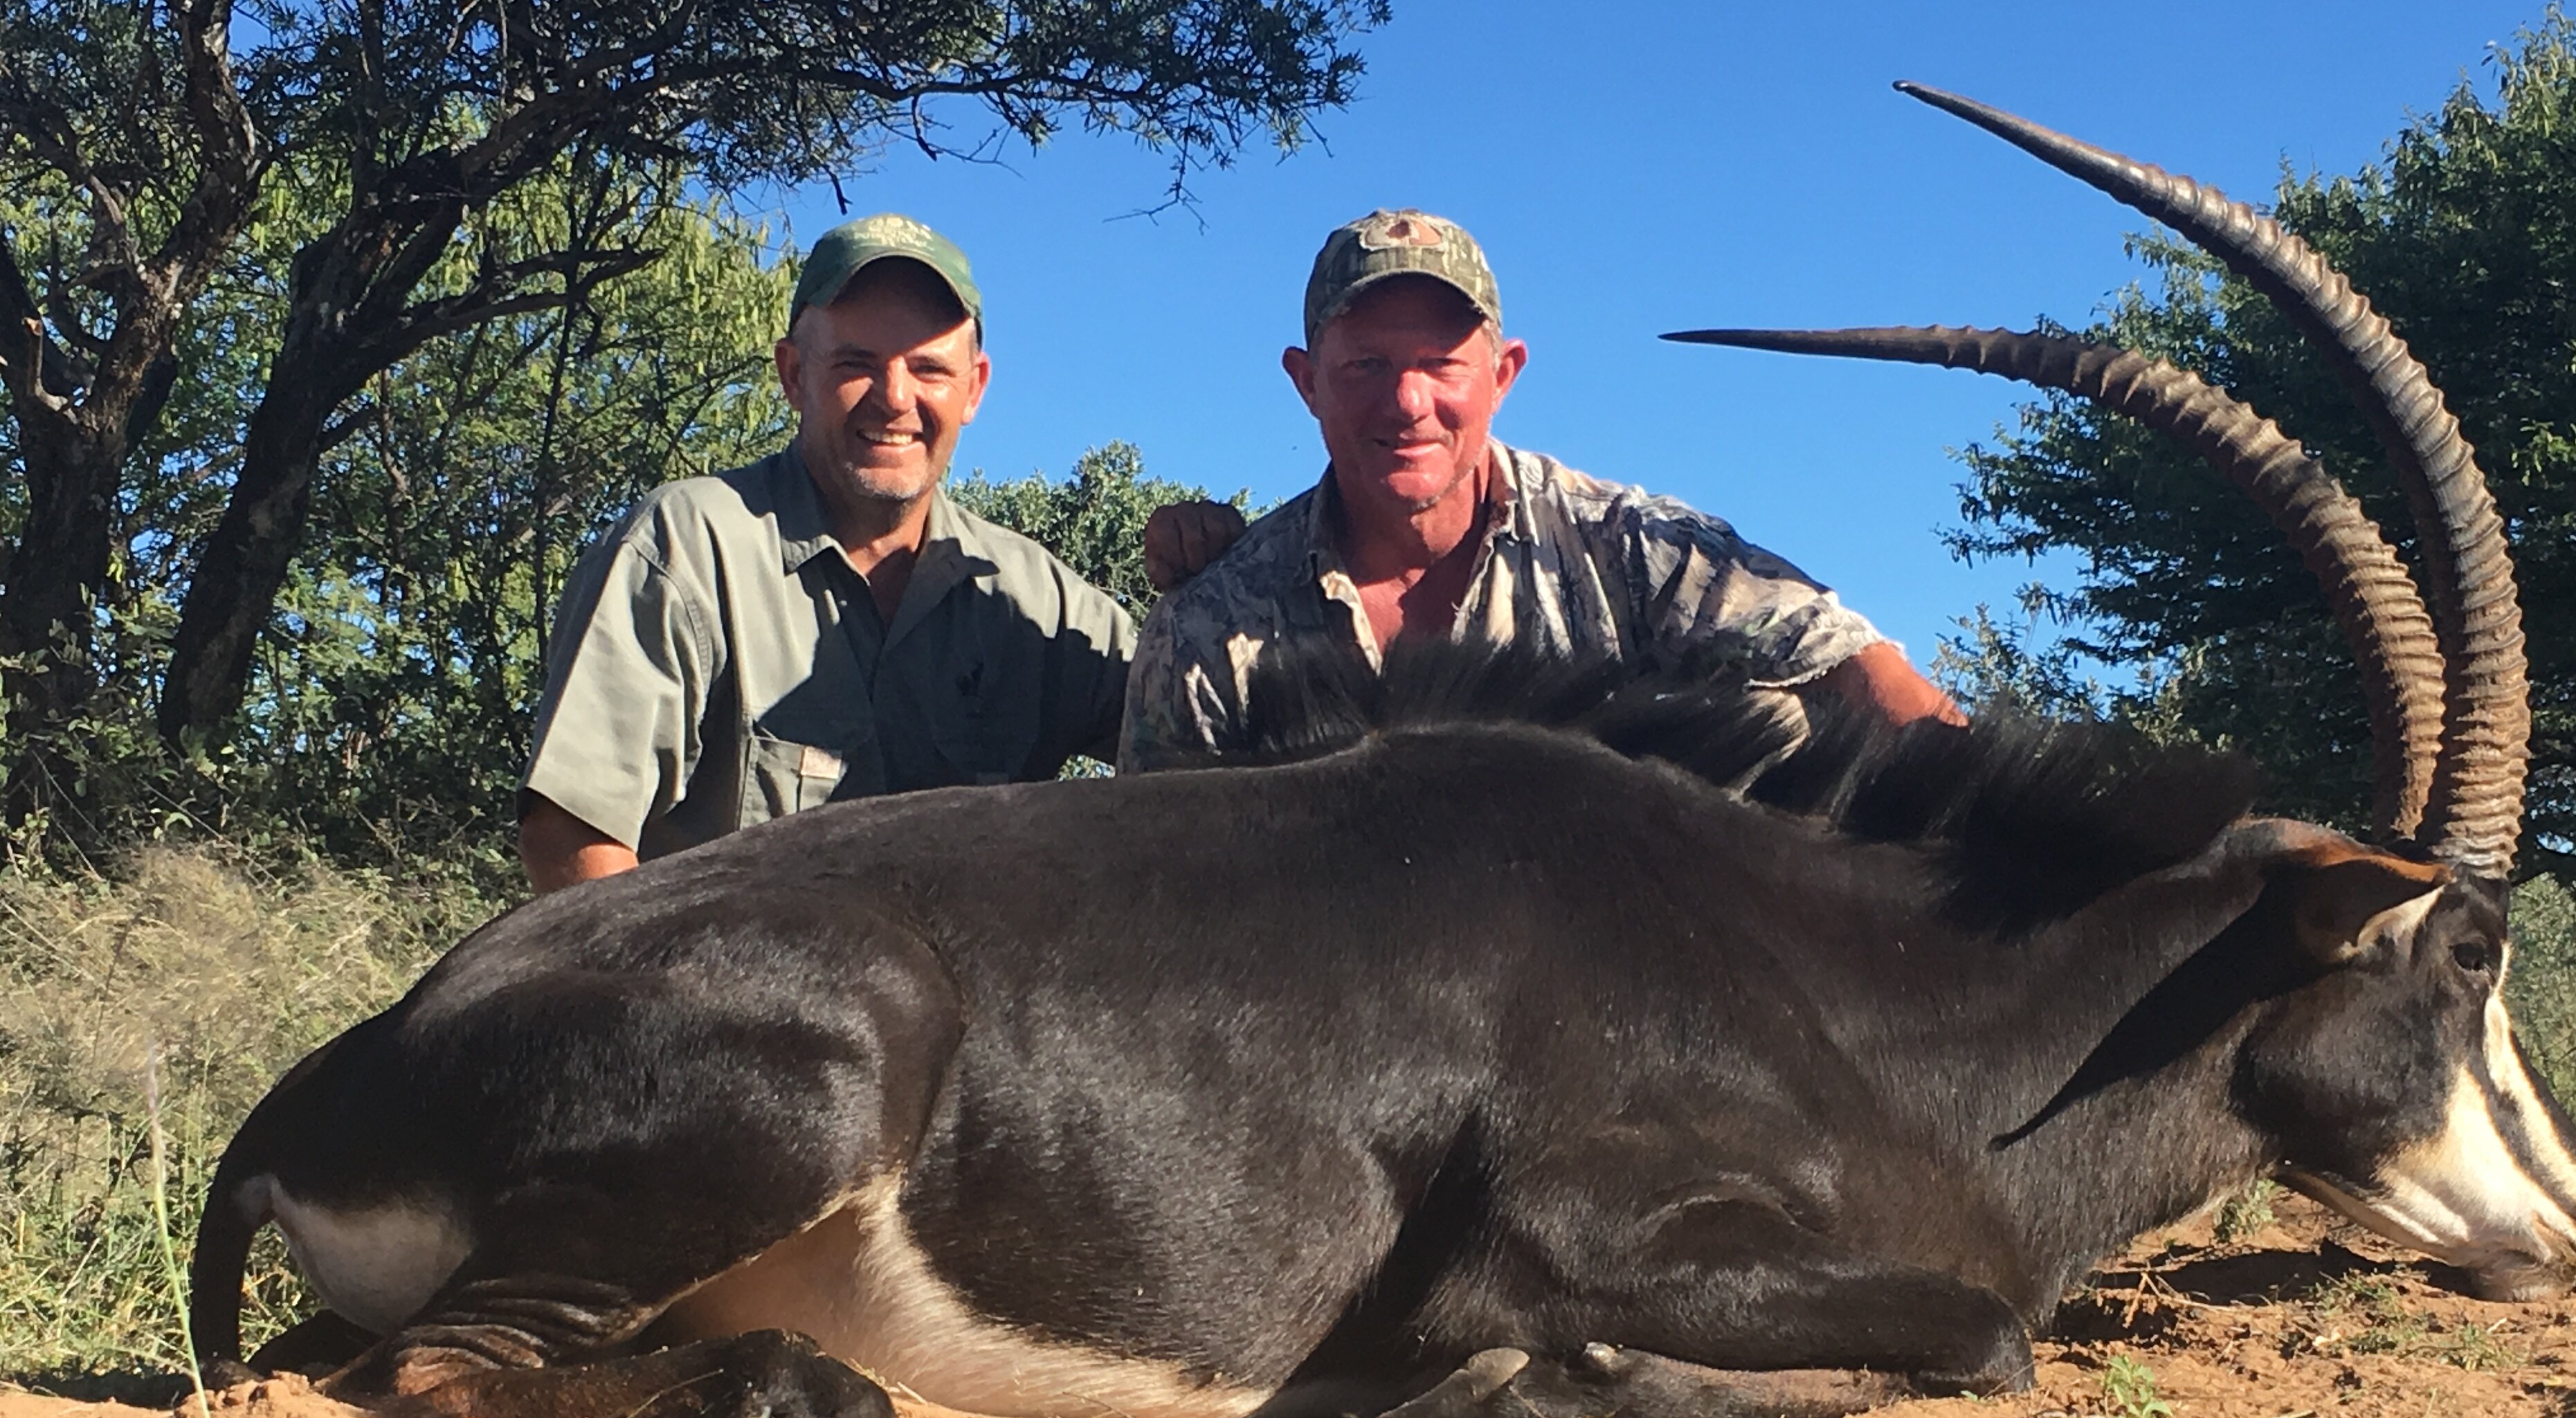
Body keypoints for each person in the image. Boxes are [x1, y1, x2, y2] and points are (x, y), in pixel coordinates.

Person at [1123, 208, 1959, 771]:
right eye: (1366, 365)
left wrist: (2000, 819)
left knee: (1781, 722)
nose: (1408, 402)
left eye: (1441, 365)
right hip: (1324, 1001)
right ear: (1307, 384)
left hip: (1598, 986)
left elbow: (1853, 660)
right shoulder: (1208, 626)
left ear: (1503, 375)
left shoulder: (1634, 547)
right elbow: (1160, 883)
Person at [519, 215, 1140, 890]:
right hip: (727, 988)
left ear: (975, 388)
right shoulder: (689, 545)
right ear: (794, 375)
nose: (895, 398)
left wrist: (1210, 570)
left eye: (929, 369)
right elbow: (571, 836)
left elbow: (1209, 753)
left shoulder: (1034, 594)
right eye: (856, 365)